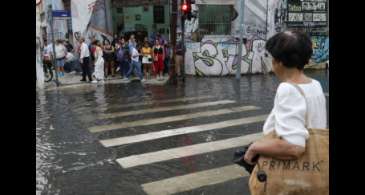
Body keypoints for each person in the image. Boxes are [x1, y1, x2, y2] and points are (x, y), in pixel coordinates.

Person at [243, 31, 327, 168]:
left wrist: (255, 148)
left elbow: (294, 147)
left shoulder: (288, 89)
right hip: (316, 164)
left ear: (279, 62)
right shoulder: (315, 84)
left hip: (295, 174)